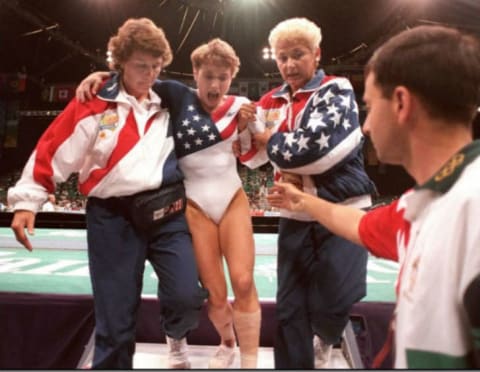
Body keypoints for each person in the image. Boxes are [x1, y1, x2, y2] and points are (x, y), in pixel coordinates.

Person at [267, 25, 480, 369]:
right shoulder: (421, 205)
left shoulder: (468, 209)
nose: (364, 127)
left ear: (400, 103)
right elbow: (362, 225)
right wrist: (302, 201)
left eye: (367, 106)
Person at [8, 18, 208, 369]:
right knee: (115, 319)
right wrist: (28, 201)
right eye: (139, 66)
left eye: (155, 66)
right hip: (112, 218)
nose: (148, 74)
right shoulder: (93, 103)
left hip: (167, 213)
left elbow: (218, 97)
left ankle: (176, 335)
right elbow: (52, 150)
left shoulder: (172, 99)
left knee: (187, 297)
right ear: (119, 64)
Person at [76, 38, 261, 369]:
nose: (215, 84)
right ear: (195, 73)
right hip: (193, 206)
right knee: (214, 296)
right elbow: (136, 77)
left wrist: (248, 134)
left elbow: (257, 159)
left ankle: (249, 360)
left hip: (231, 198)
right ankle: (224, 341)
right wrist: (102, 77)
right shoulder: (176, 97)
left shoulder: (242, 106)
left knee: (244, 281)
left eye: (223, 77)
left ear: (232, 77)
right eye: (208, 76)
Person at [237, 17, 377, 369]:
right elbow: (252, 158)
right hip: (295, 215)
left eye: (297, 55)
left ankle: (328, 335)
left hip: (342, 210)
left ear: (317, 54)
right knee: (289, 309)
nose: (288, 64)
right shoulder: (270, 101)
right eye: (281, 57)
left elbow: (317, 151)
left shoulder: (337, 88)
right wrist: (243, 126)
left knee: (336, 299)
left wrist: (273, 140)